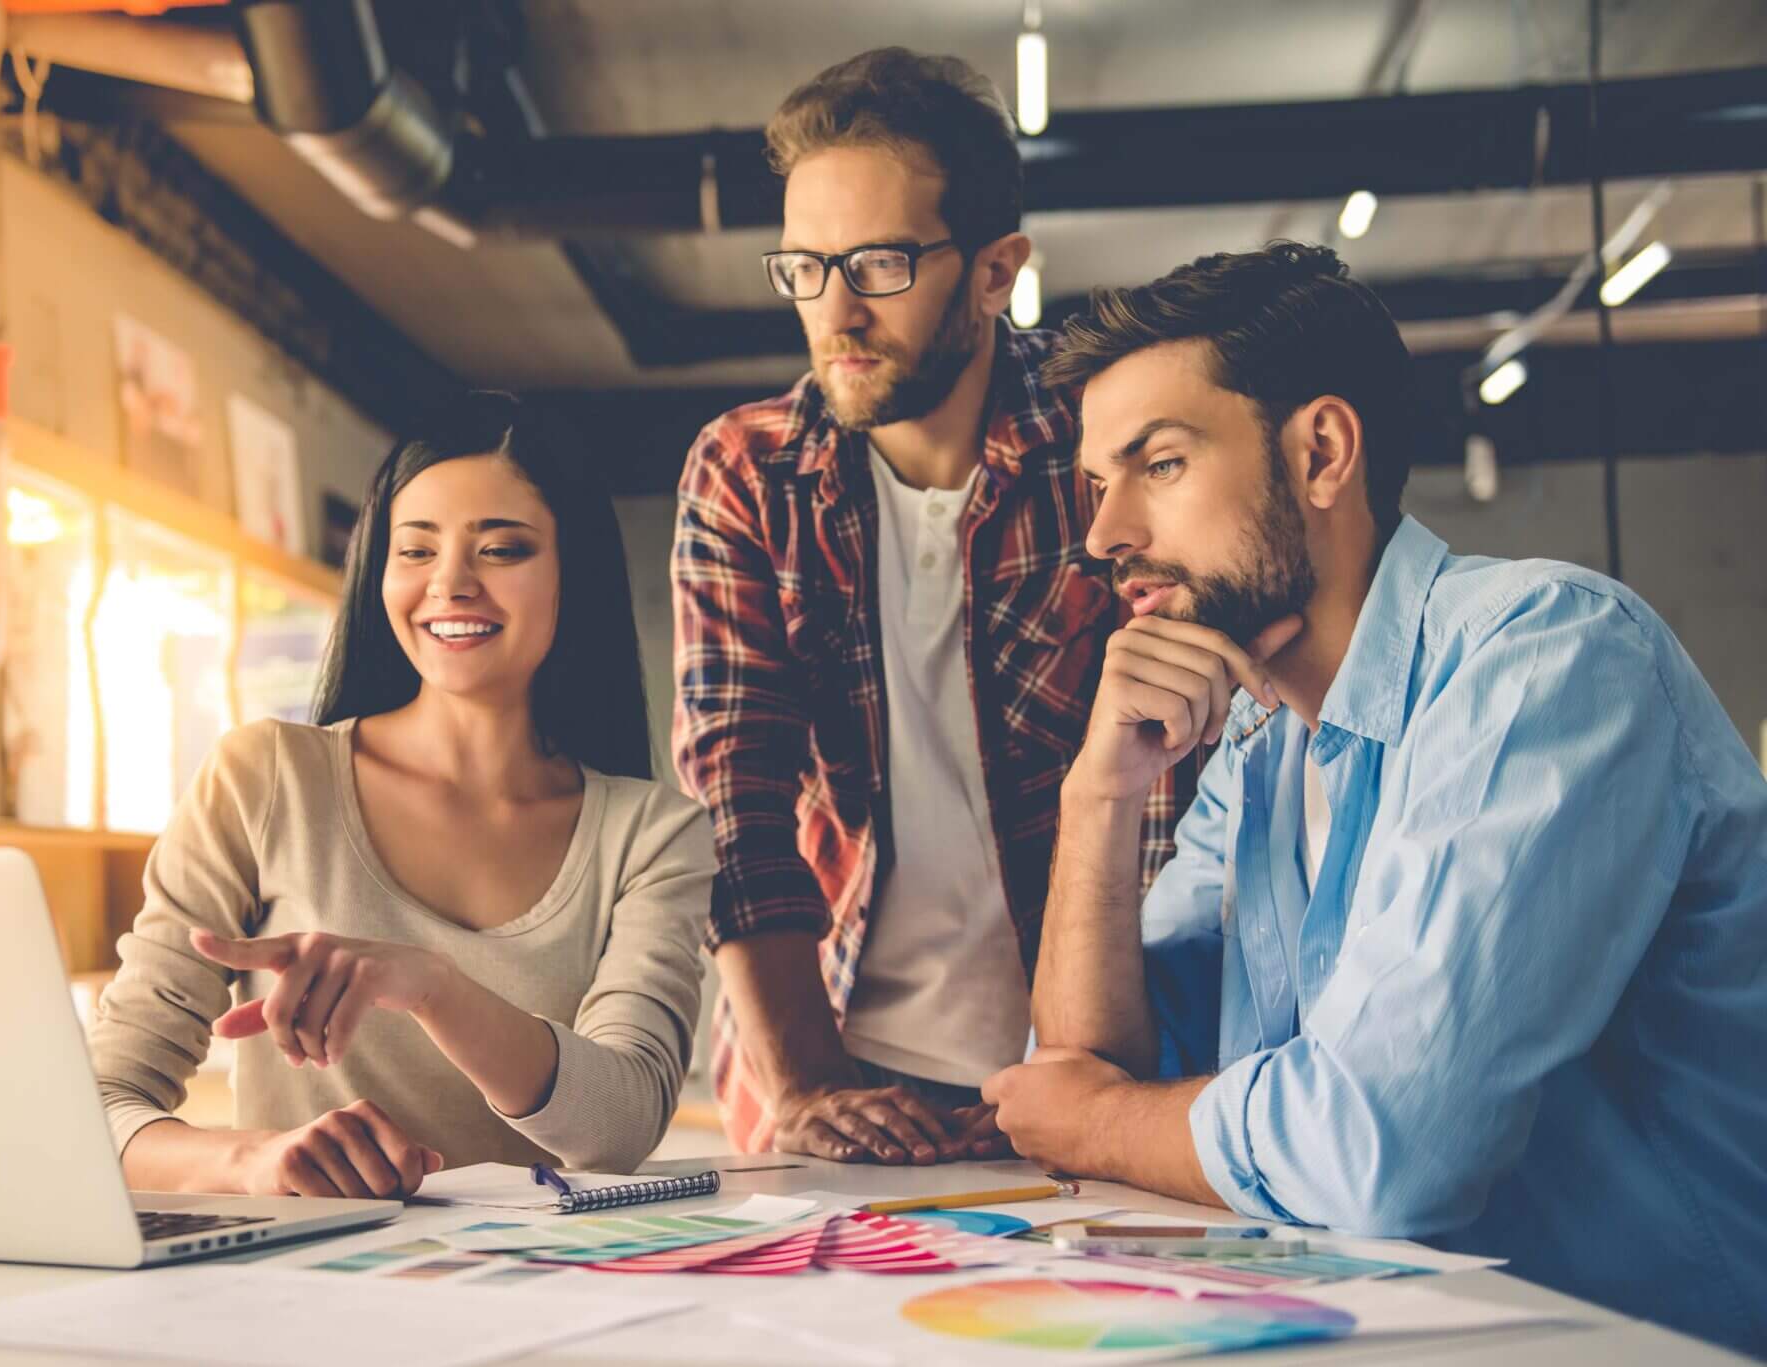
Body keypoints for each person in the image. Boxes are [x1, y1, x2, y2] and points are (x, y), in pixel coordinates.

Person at [983, 242, 1767, 1354]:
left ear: (1320, 452)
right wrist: (1095, 802)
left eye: (1155, 465)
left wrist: (1105, 1120)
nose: (1105, 535)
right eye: (1094, 486)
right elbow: (1095, 1071)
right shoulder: (1259, 745)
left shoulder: (1542, 658)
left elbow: (1382, 1151)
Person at [672, 47, 1200, 1162]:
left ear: (996, 271)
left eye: (877, 263)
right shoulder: (745, 472)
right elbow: (735, 790)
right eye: (804, 267)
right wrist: (807, 1080)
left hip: (1099, 1054)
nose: (836, 310)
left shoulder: (1098, 444)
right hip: (832, 1054)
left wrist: (1110, 1081)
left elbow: (1174, 780)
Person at [90, 391, 714, 1198]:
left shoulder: (653, 834)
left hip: (554, 1298)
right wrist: (251, 1160)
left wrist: (432, 987)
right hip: (305, 1294)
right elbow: (102, 1102)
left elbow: (619, 1126)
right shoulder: (262, 780)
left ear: (574, 573)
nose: (450, 583)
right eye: (414, 550)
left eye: (502, 549)